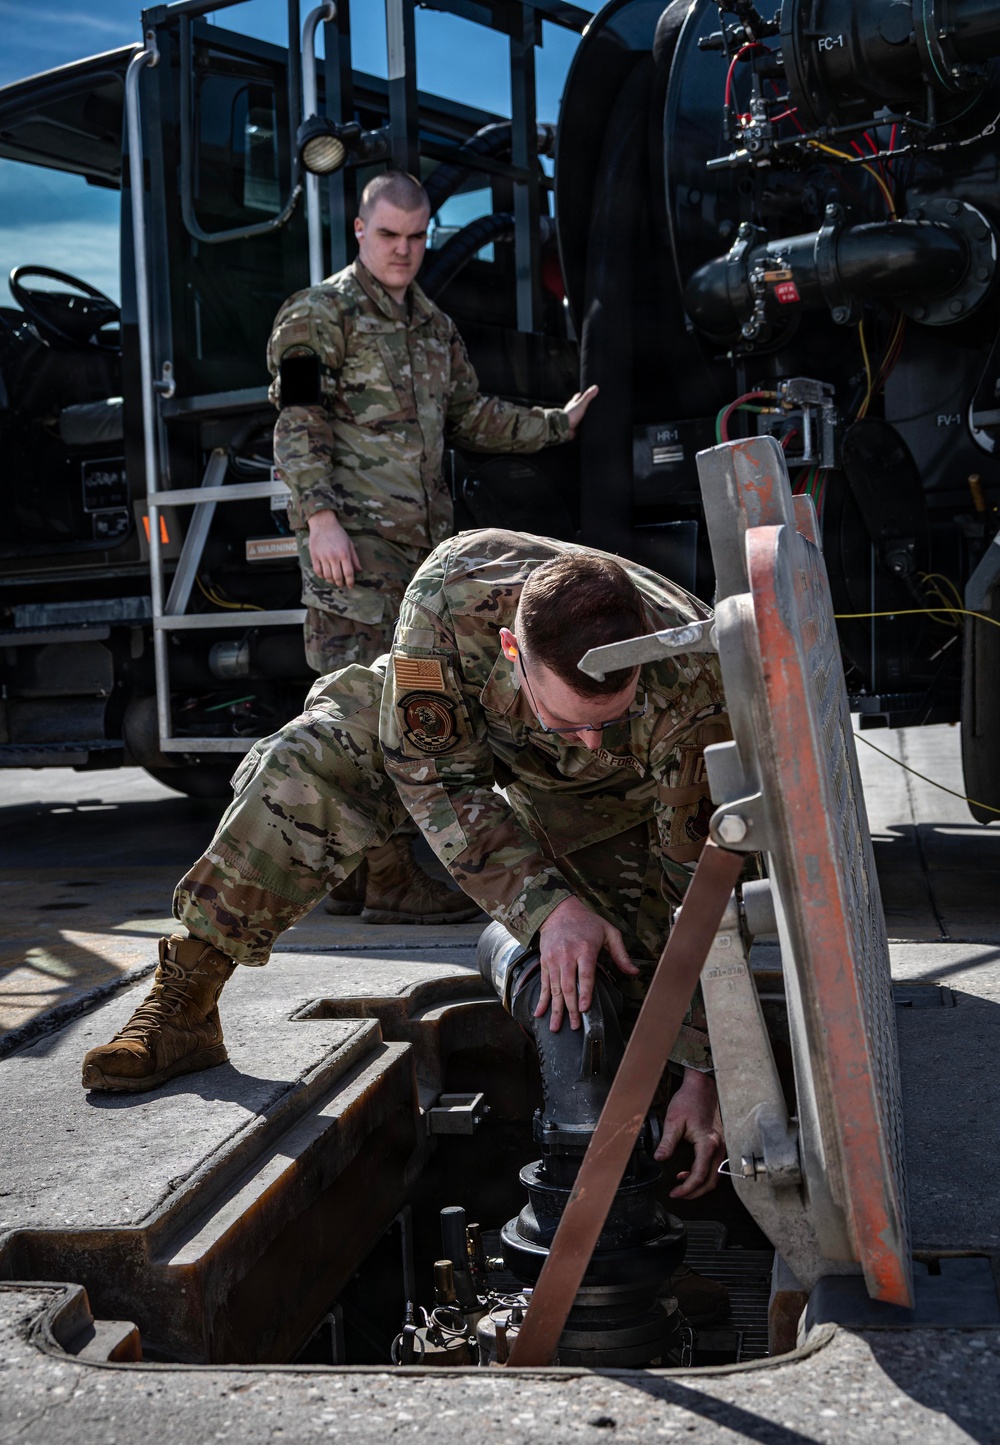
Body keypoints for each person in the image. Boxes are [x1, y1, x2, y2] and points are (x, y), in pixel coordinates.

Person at [82, 530, 730, 1205]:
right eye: (572, 720)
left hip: (609, 799)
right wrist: (546, 908)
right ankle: (185, 1000)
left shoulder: (689, 678)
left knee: (622, 958)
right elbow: (432, 773)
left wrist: (703, 1068)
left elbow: (703, 886)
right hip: (459, 735)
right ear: (512, 650)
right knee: (310, 761)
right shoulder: (451, 595)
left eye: (607, 719)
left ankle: (632, 1211)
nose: (592, 739)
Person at [268, 169, 597, 922]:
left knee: (403, 704)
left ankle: (357, 872)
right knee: (360, 707)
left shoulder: (433, 327)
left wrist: (555, 424)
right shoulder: (313, 315)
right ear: (360, 230)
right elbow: (297, 422)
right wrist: (320, 520)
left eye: (417, 238)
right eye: (388, 235)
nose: (404, 251)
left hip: (417, 557)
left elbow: (470, 417)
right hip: (349, 550)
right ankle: (387, 881)